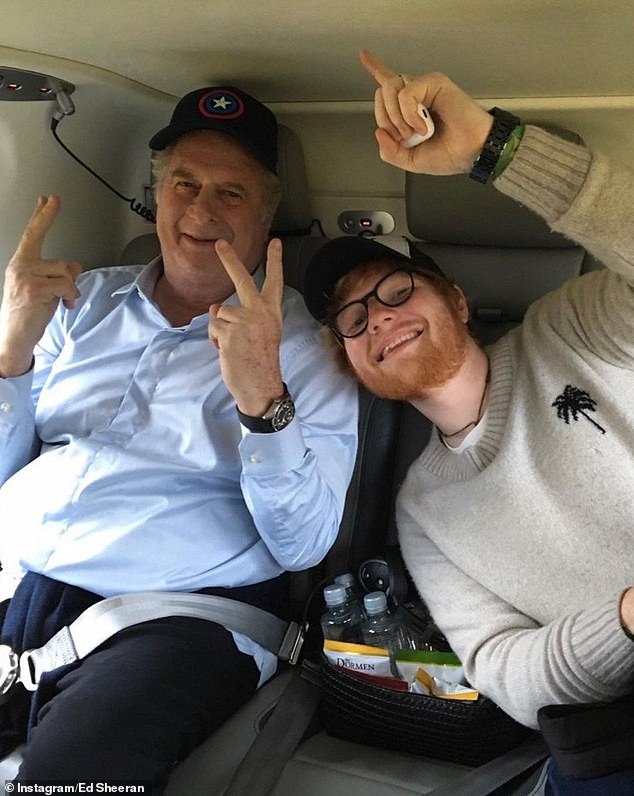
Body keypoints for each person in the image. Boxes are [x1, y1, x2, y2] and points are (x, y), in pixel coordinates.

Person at [0, 84, 358, 786]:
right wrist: (10, 357)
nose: (200, 210)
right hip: (15, 583)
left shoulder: (308, 346)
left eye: (231, 193)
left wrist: (262, 395)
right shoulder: (76, 303)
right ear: (156, 196)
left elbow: (304, 545)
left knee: (72, 779)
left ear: (266, 216)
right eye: (184, 184)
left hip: (178, 618)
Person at [302, 50, 634, 795]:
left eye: (395, 289)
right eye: (351, 319)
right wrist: (624, 621)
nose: (376, 317)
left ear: (454, 299)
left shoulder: (573, 327)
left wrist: (494, 148)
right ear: (354, 363)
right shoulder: (423, 512)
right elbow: (506, 673)